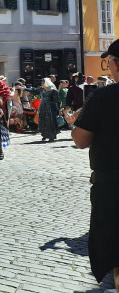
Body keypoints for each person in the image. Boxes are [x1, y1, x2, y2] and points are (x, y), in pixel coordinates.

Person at [68, 39, 119, 287]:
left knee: (115, 249)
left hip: (113, 185)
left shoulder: (104, 97)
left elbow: (80, 140)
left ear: (116, 65)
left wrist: (75, 124)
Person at [38, 78, 60, 142]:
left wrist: (58, 109)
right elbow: (34, 90)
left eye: (43, 83)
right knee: (43, 121)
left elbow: (57, 100)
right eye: (41, 83)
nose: (42, 84)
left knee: (51, 122)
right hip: (43, 108)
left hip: (51, 108)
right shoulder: (41, 89)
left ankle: (52, 136)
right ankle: (44, 134)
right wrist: (24, 88)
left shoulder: (53, 91)